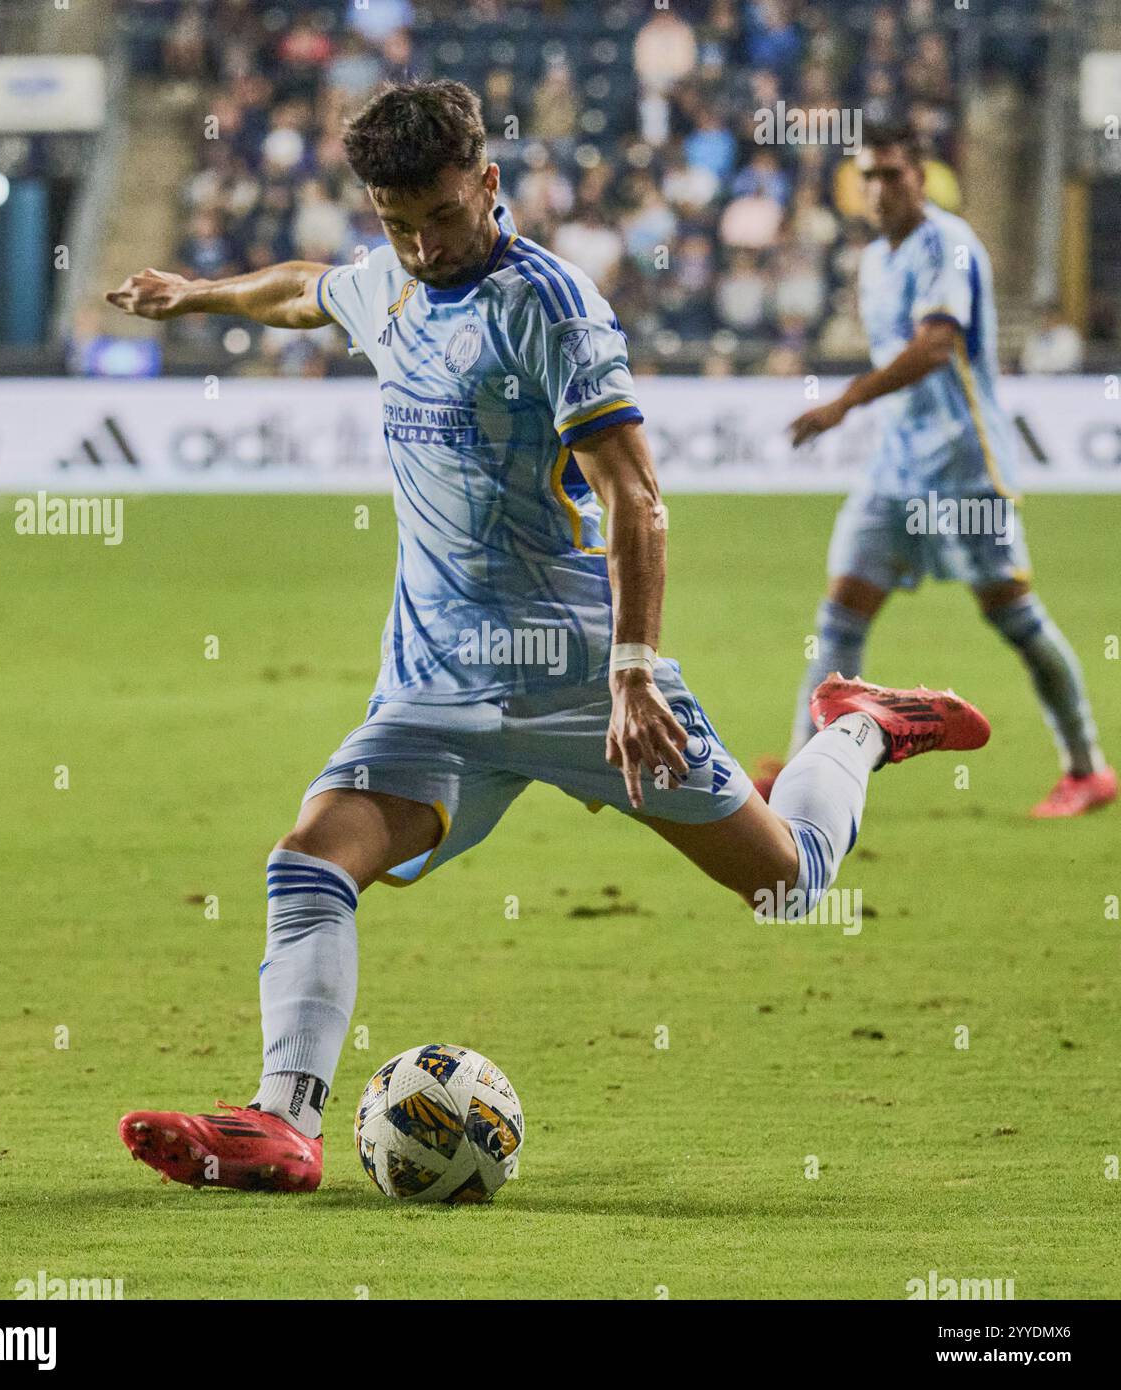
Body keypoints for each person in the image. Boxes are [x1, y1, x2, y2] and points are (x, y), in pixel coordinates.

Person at [106, 83, 991, 1195]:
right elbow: (303, 290)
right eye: (397, 224)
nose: (424, 246)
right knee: (309, 860)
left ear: (487, 182)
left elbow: (636, 498)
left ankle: (858, 728)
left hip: (582, 681)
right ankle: (282, 1123)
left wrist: (632, 673)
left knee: (785, 884)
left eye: (441, 215)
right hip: (433, 688)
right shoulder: (388, 278)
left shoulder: (552, 309)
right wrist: (194, 295)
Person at [763, 122, 1113, 820]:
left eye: (893, 174)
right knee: (841, 610)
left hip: (963, 465)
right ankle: (801, 769)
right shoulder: (874, 260)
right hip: (896, 467)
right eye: (869, 176)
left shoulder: (948, 245)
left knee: (1012, 613)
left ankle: (1088, 769)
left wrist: (845, 402)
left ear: (921, 178)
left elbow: (935, 346)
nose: (880, 189)